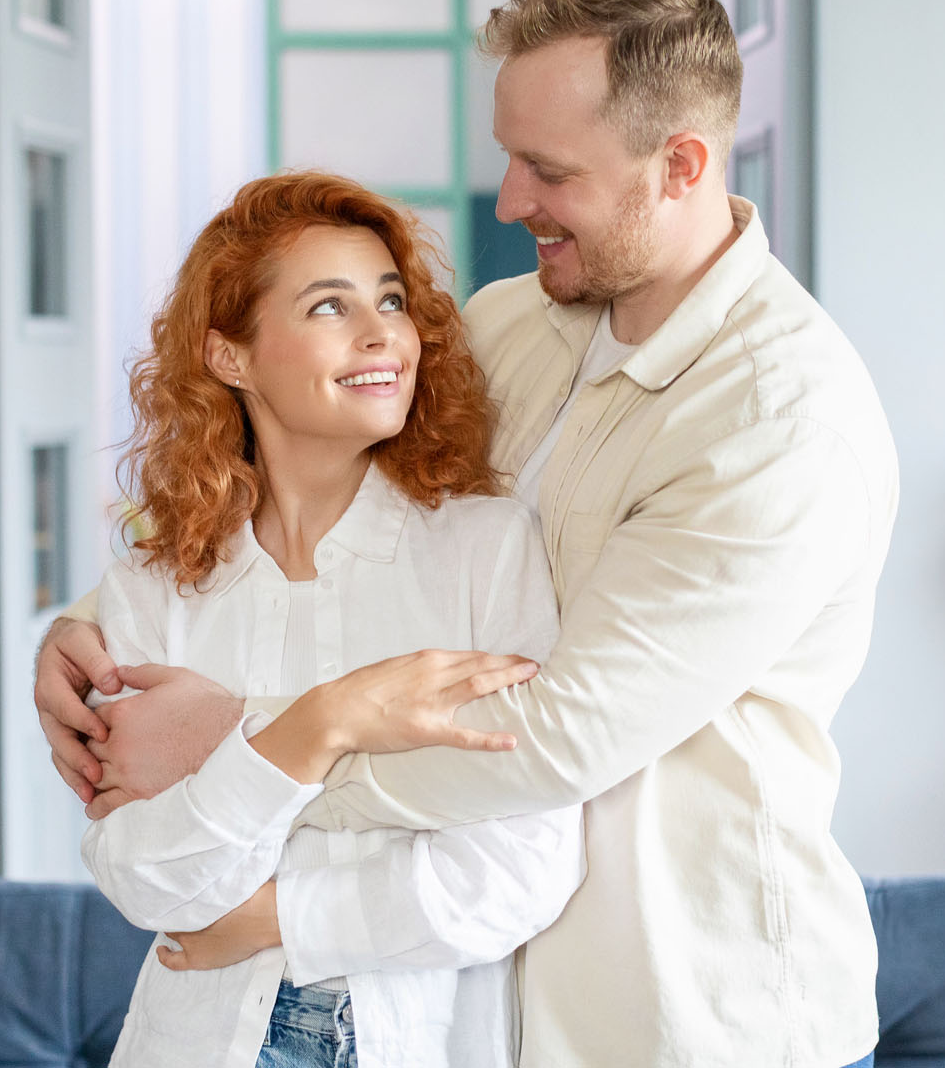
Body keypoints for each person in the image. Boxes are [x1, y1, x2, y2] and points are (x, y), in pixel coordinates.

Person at [39, 0, 898, 1068]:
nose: (508, 201)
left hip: (693, 1016)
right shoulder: (510, 326)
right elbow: (297, 480)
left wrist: (246, 736)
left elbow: (554, 735)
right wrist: (89, 624)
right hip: (481, 1012)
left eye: (546, 169)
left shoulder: (777, 422)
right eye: (507, 156)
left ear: (678, 165)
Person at [81, 170, 584, 1067]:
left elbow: (517, 873)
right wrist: (318, 726)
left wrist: (266, 914)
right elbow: (143, 877)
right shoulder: (149, 591)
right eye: (328, 306)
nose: (382, 331)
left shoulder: (488, 550)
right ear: (231, 356)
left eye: (391, 300)